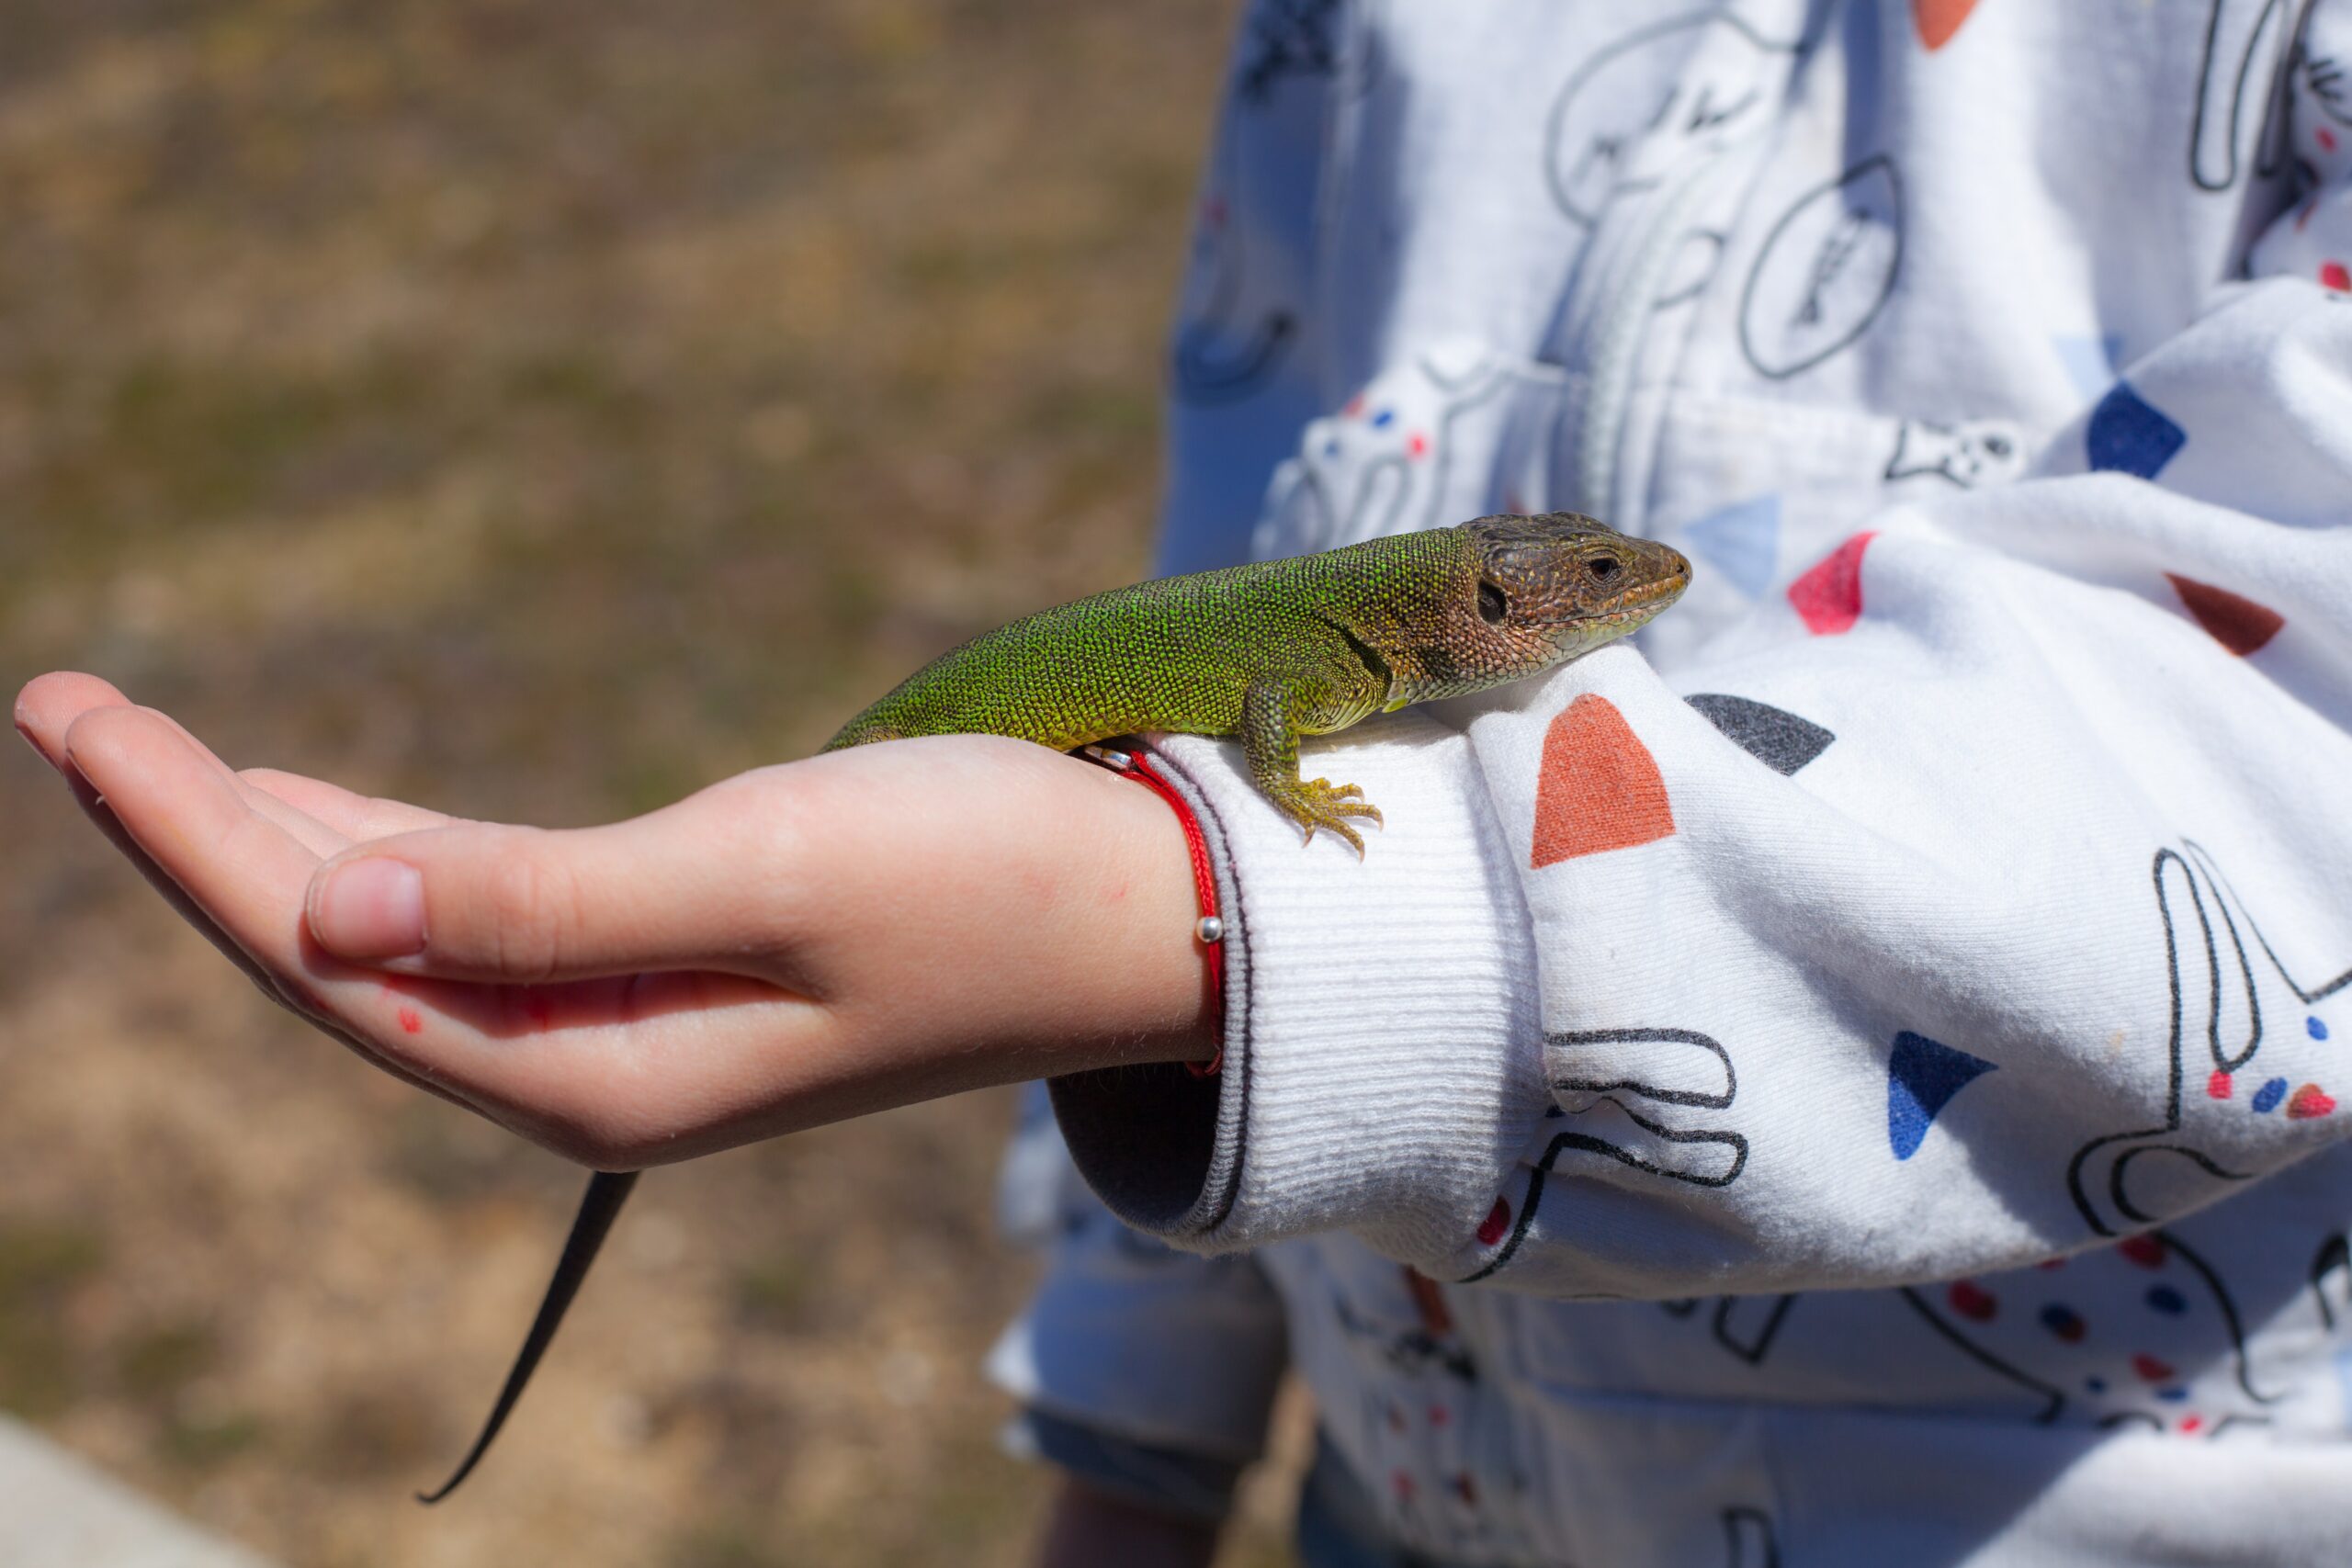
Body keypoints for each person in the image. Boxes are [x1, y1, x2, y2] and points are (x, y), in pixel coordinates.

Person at [19, 2, 2352, 1562]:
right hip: (1392, 1465)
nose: (1611, 600)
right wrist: (1134, 1419)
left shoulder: (1377, 659)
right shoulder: (1335, 624)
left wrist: (1204, 929)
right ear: (1476, 615)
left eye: (1600, 593)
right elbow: (1240, 690)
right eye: (1570, 596)